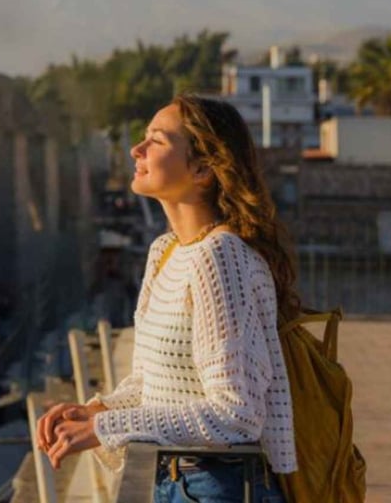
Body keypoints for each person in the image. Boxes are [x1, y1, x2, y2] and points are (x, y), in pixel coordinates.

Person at [36, 95, 300, 503]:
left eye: (156, 141)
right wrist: (97, 411)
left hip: (220, 488)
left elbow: (237, 414)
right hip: (177, 481)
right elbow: (155, 386)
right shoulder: (166, 251)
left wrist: (105, 430)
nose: (136, 150)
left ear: (202, 169)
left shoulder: (220, 257)